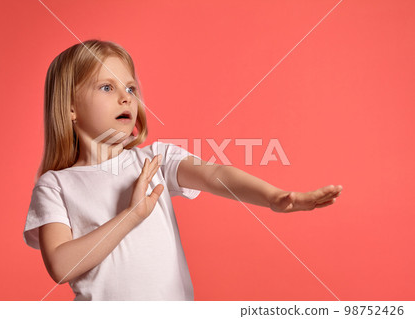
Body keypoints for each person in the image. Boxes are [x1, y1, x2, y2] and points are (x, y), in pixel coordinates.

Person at [22, 39, 343, 301]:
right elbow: (62, 266)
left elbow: (215, 174)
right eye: (107, 87)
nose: (125, 99)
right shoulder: (56, 186)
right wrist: (131, 215)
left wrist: (271, 196)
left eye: (130, 89)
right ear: (70, 108)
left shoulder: (155, 158)